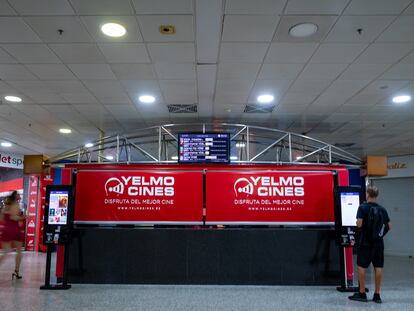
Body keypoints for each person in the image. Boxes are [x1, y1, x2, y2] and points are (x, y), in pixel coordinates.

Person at [348, 186, 391, 303]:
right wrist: (379, 235)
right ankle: (377, 295)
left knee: (361, 266)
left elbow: (359, 224)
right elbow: (389, 226)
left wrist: (357, 227)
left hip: (365, 243)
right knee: (378, 267)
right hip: (378, 244)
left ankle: (362, 293)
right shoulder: (382, 209)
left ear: (367, 194)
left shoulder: (362, 207)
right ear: (377, 195)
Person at [0, 191, 25, 280]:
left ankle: (17, 272)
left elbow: (2, 219)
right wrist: (23, 217)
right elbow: (14, 217)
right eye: (18, 194)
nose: (19, 196)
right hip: (15, 229)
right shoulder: (16, 204)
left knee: (6, 252)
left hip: (6, 229)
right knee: (19, 251)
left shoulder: (5, 206)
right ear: (15, 196)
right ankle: (16, 271)